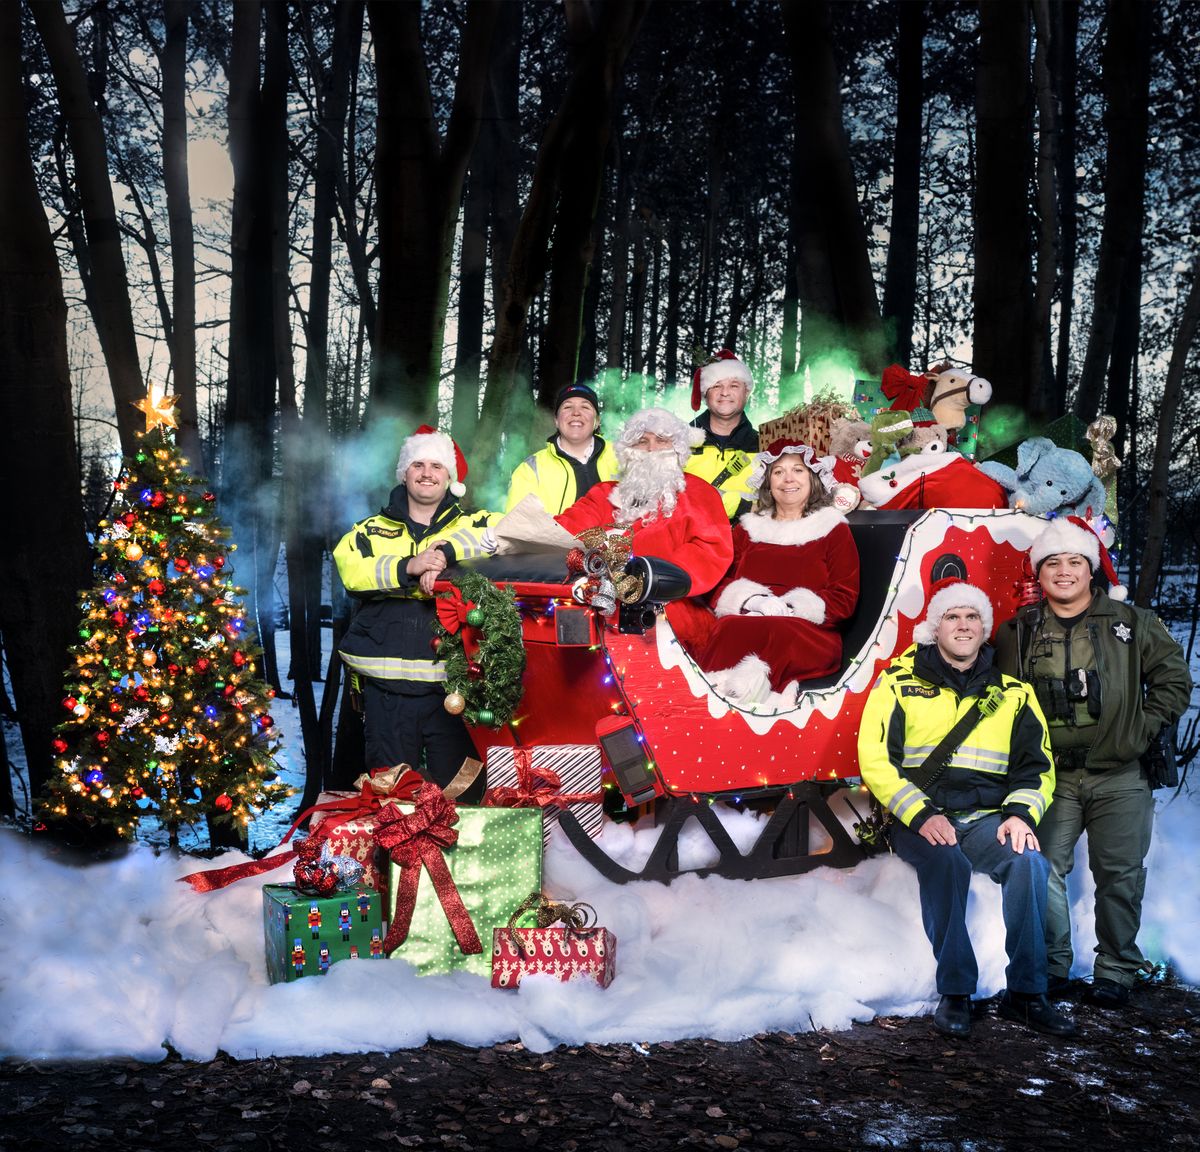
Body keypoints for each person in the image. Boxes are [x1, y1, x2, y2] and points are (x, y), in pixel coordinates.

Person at [858, 579, 1075, 1038]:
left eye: (972, 616)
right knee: (947, 861)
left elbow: (1038, 768)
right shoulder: (897, 684)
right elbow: (875, 760)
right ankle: (955, 991)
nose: (963, 625)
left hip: (985, 821)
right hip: (918, 817)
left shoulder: (1014, 694)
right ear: (935, 629)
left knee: (1029, 863)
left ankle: (1027, 994)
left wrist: (1019, 815)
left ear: (984, 628)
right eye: (952, 616)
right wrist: (921, 814)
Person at [993, 517, 1191, 1008]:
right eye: (1052, 563)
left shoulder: (1131, 622)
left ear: (1090, 568)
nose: (1064, 572)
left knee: (1120, 874)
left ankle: (1117, 968)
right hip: (1050, 778)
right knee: (1043, 868)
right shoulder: (1018, 632)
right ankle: (1052, 965)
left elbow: (1174, 680)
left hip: (1120, 774)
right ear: (1038, 573)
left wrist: (1141, 727)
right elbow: (997, 697)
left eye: (1074, 562)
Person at [333, 426, 500, 794]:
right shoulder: (370, 530)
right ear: (404, 474)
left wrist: (447, 557)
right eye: (418, 465)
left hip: (455, 691)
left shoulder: (474, 524)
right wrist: (409, 566)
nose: (427, 473)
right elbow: (351, 568)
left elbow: (510, 533)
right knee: (391, 797)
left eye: (437, 466)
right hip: (386, 693)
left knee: (462, 793)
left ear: (450, 477)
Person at [697, 440, 859, 706]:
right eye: (778, 472)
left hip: (808, 634)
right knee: (727, 626)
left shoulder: (833, 528)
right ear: (767, 481)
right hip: (745, 622)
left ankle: (761, 704)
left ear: (812, 478)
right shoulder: (747, 529)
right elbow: (717, 582)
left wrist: (790, 608)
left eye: (798, 470)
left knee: (776, 629)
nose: (788, 479)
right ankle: (713, 701)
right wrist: (754, 602)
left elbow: (845, 597)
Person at [555, 407, 734, 601]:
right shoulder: (603, 493)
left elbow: (709, 553)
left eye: (661, 440)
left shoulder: (699, 492)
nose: (651, 449)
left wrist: (649, 580)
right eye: (642, 441)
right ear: (628, 451)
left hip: (664, 604)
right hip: (591, 596)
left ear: (677, 449)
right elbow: (562, 532)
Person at [505, 381, 618, 513]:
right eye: (567, 407)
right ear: (557, 421)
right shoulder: (530, 470)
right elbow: (517, 522)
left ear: (597, 421)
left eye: (585, 407)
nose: (576, 412)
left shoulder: (623, 457)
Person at [685, 349, 759, 519]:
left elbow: (779, 505)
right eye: (716, 385)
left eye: (734, 385)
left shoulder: (764, 447)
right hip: (689, 534)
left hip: (746, 535)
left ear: (747, 392)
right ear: (705, 394)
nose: (725, 393)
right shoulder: (678, 444)